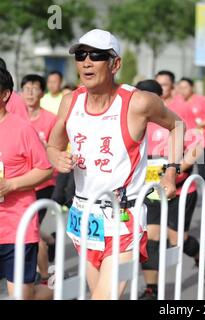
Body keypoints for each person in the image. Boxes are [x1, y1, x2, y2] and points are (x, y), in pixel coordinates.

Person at [46, 29, 184, 300]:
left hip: (123, 216)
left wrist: (171, 173)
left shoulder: (138, 102)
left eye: (96, 55)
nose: (86, 62)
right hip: (83, 215)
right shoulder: (69, 101)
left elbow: (177, 125)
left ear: (115, 64)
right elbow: (53, 145)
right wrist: (57, 157)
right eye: (81, 55)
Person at [137, 77, 205, 300]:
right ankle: (151, 289)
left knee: (176, 240)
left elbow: (196, 148)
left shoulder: (178, 111)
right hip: (151, 190)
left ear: (160, 97)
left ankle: (201, 257)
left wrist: (173, 173)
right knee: (152, 237)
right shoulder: (134, 119)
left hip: (180, 188)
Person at [0, 67, 53, 299]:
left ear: (5, 95)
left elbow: (45, 169)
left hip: (16, 228)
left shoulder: (22, 129)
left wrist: (11, 185)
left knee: (21, 296)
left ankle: (53, 292)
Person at [21, 74, 58, 284]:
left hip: (44, 183)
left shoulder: (50, 119)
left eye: (35, 88)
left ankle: (45, 278)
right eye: (26, 88)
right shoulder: (15, 118)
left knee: (31, 231)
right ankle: (50, 240)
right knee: (27, 227)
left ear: (42, 93)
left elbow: (58, 149)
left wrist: (42, 148)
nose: (30, 92)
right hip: (20, 184)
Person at [177, 77, 205, 186]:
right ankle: (187, 195)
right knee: (183, 172)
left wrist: (202, 124)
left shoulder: (202, 101)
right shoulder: (178, 101)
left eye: (185, 87)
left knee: (203, 174)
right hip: (186, 144)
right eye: (180, 87)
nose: (183, 90)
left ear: (192, 87)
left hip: (202, 144)